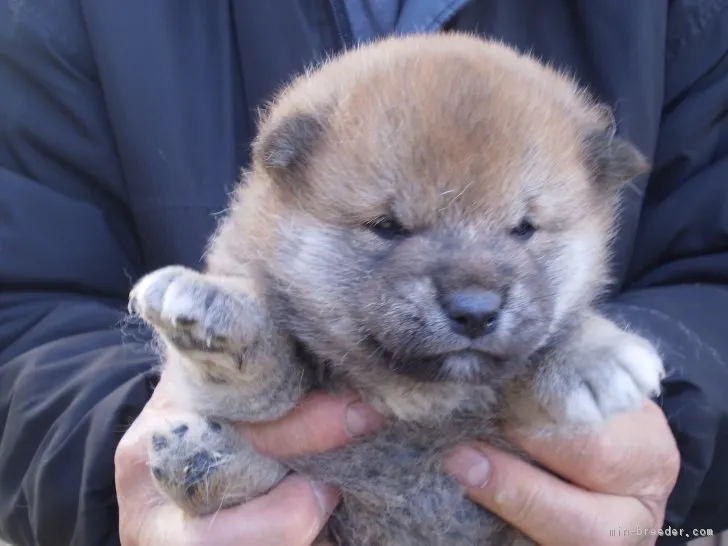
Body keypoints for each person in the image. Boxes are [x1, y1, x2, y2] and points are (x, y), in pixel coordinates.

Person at [0, 1, 726, 545]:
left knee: (564, 364)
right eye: (389, 227)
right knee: (258, 403)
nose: (475, 292)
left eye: (523, 228)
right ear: (284, 181)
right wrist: (123, 451)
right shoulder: (62, 17)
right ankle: (235, 376)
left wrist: (662, 413)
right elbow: (20, 314)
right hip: (284, 491)